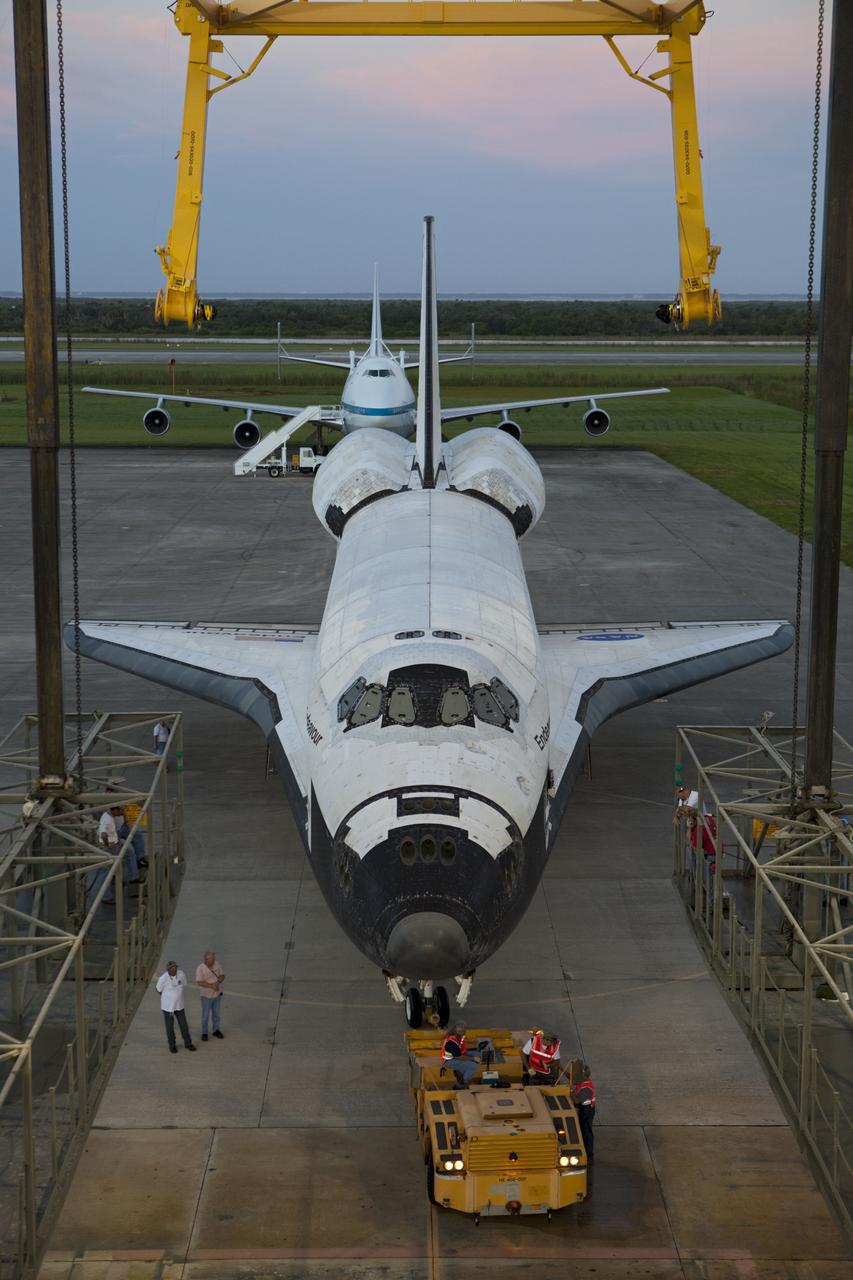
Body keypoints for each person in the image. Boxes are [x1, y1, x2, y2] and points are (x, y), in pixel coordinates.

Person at [156, 961, 196, 1053]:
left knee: (184, 1025)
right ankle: (172, 1045)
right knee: (170, 1027)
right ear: (168, 970)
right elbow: (158, 989)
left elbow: (183, 984)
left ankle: (188, 1043)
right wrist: (167, 998)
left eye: (175, 967)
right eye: (172, 968)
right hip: (168, 1007)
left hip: (180, 1006)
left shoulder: (181, 974)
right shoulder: (163, 978)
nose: (174, 969)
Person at [88, 804, 125, 906]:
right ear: (115, 810)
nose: (122, 813)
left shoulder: (109, 816)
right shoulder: (107, 820)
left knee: (109, 871)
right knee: (105, 873)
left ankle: (115, 883)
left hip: (113, 846)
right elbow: (103, 834)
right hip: (110, 849)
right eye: (121, 810)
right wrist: (108, 845)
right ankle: (106, 896)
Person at [196, 950, 225, 1041]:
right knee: (205, 1016)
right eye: (212, 959)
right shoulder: (200, 968)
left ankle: (216, 1030)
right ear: (206, 959)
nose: (214, 960)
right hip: (206, 996)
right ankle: (204, 1033)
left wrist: (218, 982)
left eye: (214, 958)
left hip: (216, 995)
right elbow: (199, 982)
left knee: (216, 1014)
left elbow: (222, 975)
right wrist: (212, 986)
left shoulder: (217, 964)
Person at [441, 1021, 480, 1088]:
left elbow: (462, 1050)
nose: (465, 1032)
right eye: (464, 1031)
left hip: (458, 1055)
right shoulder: (452, 1042)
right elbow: (460, 1057)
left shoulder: (458, 1037)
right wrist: (473, 1058)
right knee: (473, 1066)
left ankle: (461, 1072)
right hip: (450, 1061)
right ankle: (461, 1083)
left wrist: (475, 1055)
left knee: (479, 1054)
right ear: (459, 1032)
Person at [572, 1063, 596, 1161]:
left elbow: (579, 1101)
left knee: (586, 1133)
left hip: (586, 1111)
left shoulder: (586, 1088)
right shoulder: (583, 1080)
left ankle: (589, 1156)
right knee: (584, 1132)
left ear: (583, 1075)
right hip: (586, 1109)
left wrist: (570, 1093)